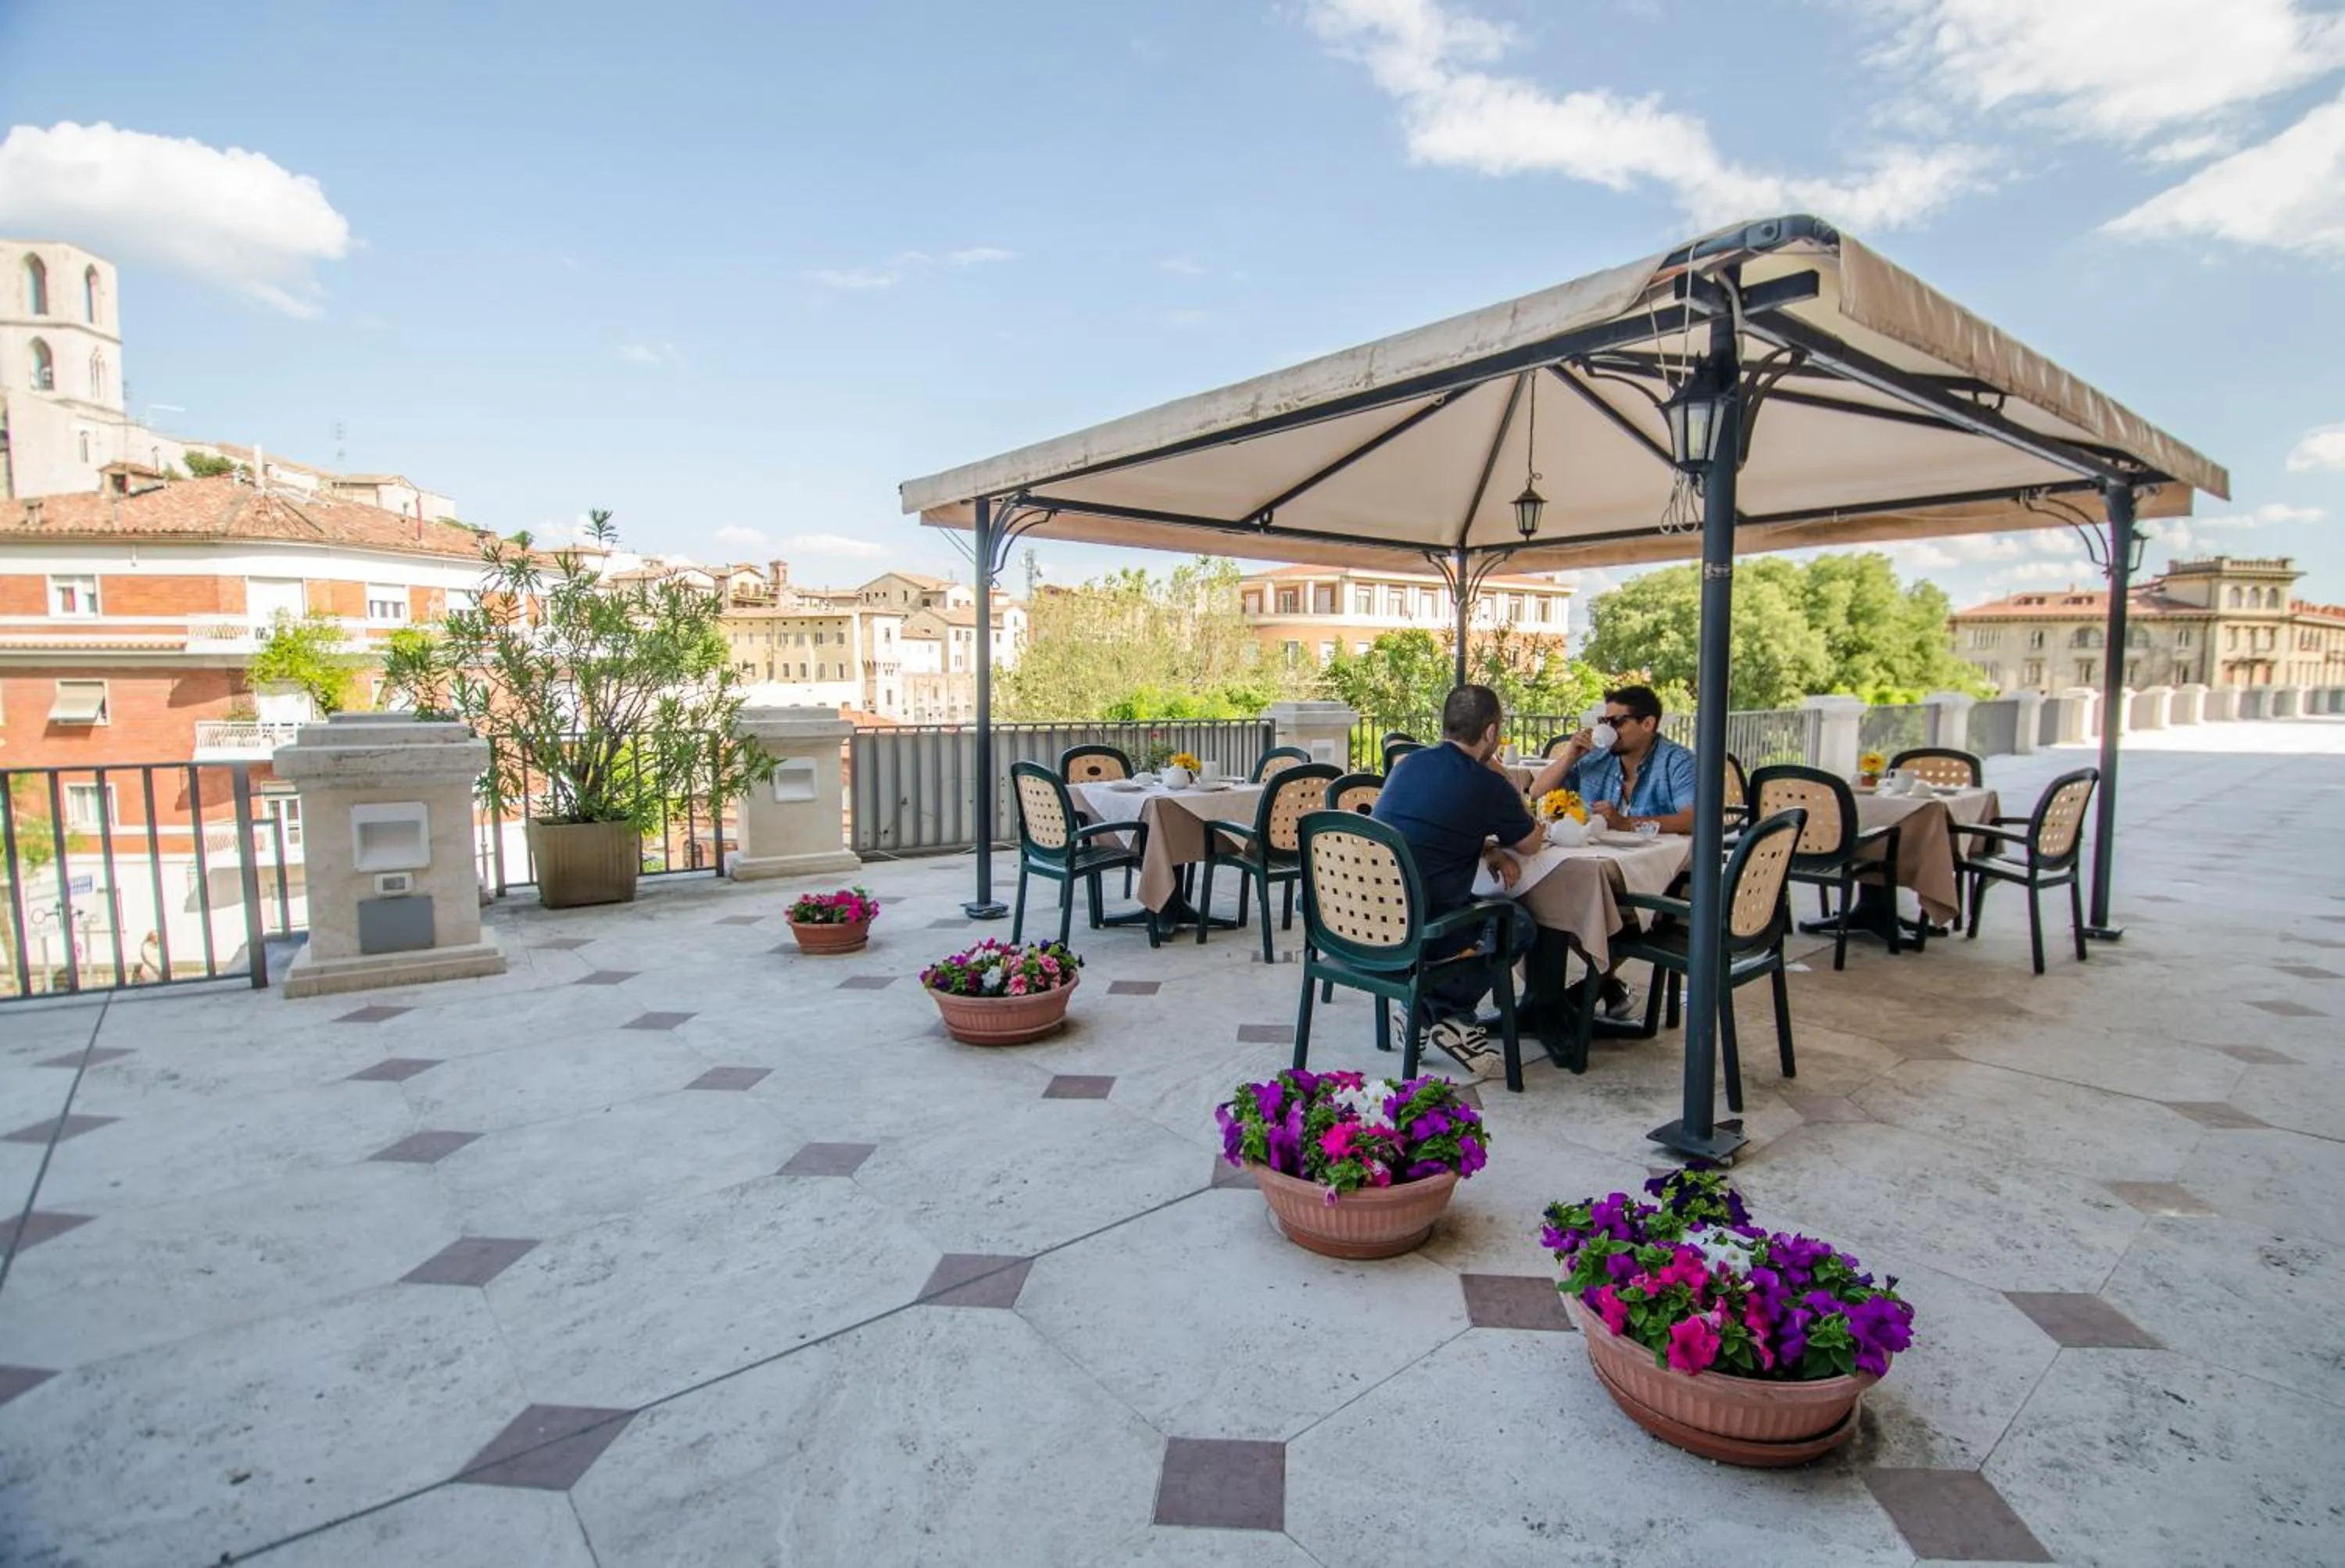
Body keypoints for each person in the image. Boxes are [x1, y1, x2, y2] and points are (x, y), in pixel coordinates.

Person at [1372, 683, 1543, 1073]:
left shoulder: (1407, 765)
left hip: (1368, 919)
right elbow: (1532, 843)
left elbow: (1427, 827)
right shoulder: (1488, 784)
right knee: (1515, 923)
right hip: (1421, 926)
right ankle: (1451, 1016)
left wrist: (1488, 848)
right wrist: (1500, 771)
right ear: (1490, 733)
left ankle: (1417, 1014)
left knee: (1483, 910)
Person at [1529, 682, 1698, 1020]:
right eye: (1604, 722)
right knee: (1545, 895)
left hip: (1664, 880)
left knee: (1585, 904)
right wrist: (1570, 756)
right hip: (1601, 864)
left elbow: (1692, 818)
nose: (1608, 730)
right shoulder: (1597, 759)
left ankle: (1579, 992)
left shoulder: (1677, 762)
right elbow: (1537, 791)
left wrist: (1628, 823)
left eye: (1617, 722)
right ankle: (1600, 985)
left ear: (1648, 724)